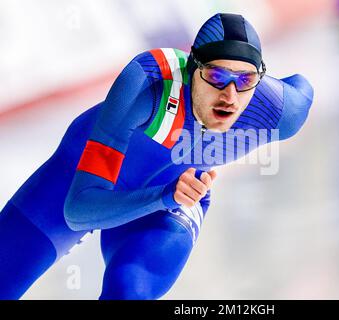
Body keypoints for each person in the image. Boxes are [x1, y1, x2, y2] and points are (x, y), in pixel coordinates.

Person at [0, 13, 313, 299]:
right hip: (79, 180)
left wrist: (168, 198)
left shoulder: (278, 111)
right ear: (192, 71)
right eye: (218, 77)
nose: (230, 96)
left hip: (174, 198)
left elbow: (302, 87)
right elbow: (77, 210)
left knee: (129, 292)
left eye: (245, 80)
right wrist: (163, 195)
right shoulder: (147, 85)